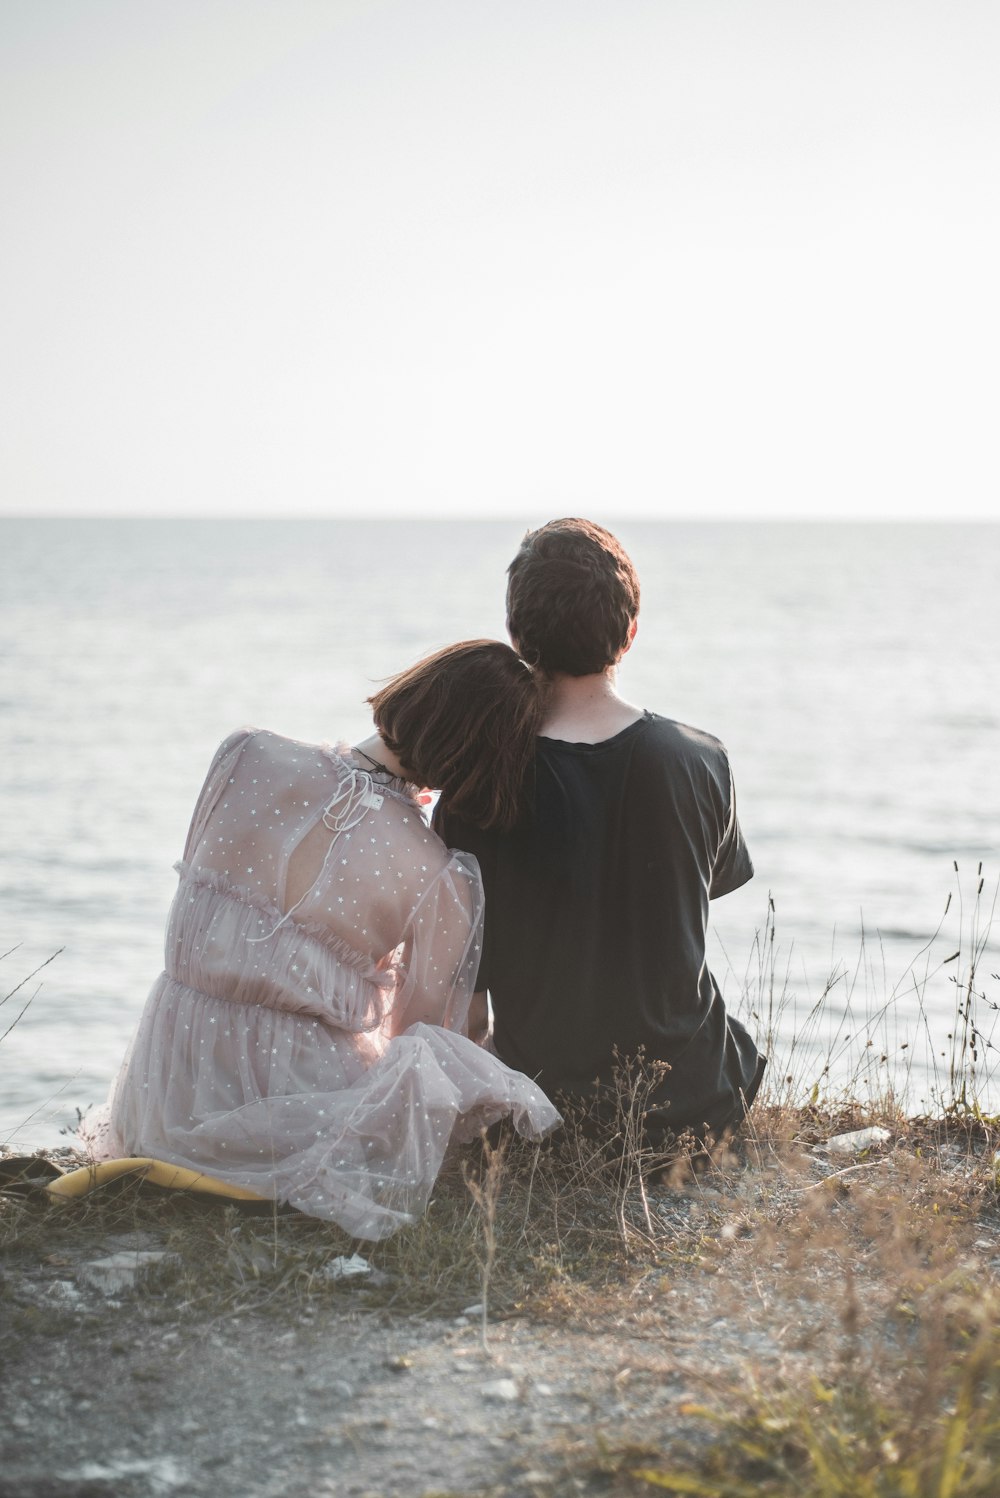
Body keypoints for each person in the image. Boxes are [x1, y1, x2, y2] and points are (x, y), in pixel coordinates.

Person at [80, 641, 561, 1239]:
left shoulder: (244, 754)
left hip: (165, 1084)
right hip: (297, 1108)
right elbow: (418, 1042)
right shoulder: (438, 876)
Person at [435, 520, 765, 1145]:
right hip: (698, 1101)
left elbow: (468, 996)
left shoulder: (477, 784)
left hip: (545, 1110)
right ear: (630, 632)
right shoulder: (700, 760)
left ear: (516, 637)